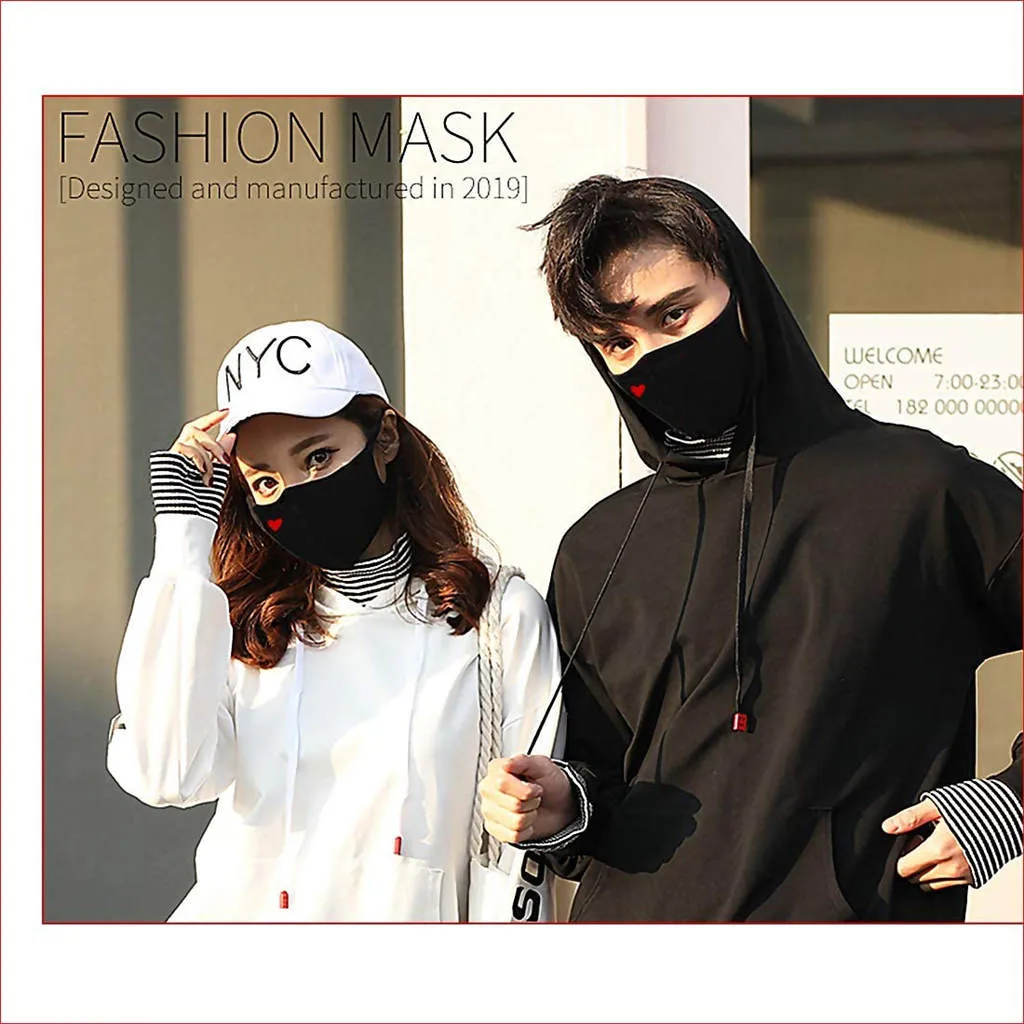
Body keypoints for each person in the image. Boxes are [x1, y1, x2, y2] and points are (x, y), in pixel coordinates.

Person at [478, 175, 1023, 922]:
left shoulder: (921, 489)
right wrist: (562, 808)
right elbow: (599, 786)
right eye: (618, 342)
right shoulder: (596, 548)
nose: (652, 356)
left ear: (745, 293)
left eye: (675, 313)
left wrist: (1005, 807)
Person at [108, 320, 561, 921]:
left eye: (318, 457)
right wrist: (182, 534)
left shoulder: (496, 616)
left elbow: (519, 850)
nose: (296, 491)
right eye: (265, 480)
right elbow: (166, 773)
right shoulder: (249, 627)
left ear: (385, 437)